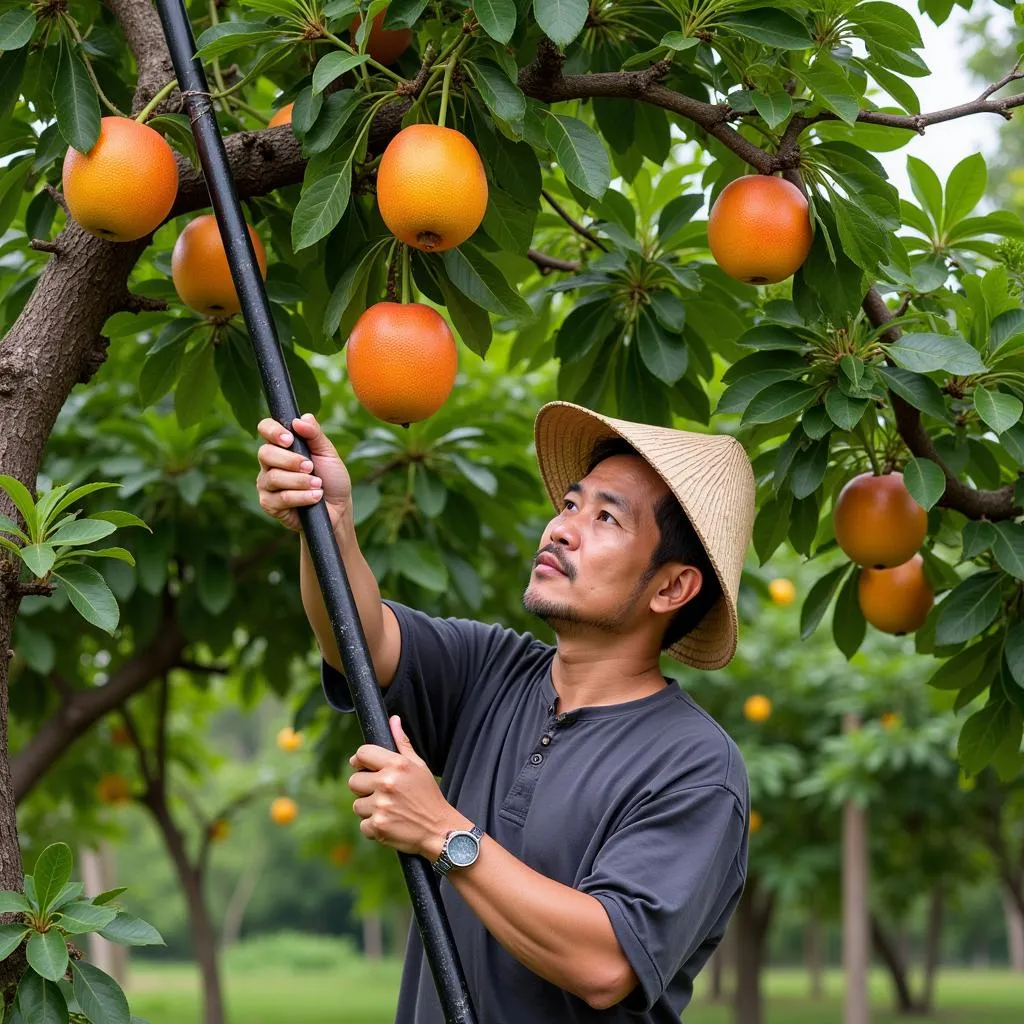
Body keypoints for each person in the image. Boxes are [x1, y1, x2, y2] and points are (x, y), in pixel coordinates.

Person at [255, 399, 756, 1023]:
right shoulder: (493, 669)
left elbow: (605, 964)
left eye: (607, 518)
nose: (561, 528)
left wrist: (443, 831)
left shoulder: (695, 766)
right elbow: (358, 639)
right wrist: (328, 528)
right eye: (571, 504)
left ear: (670, 587)